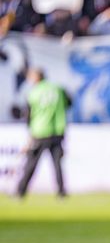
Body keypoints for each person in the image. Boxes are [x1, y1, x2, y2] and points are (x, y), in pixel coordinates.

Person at [16, 68, 71, 198]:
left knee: (31, 164)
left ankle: (20, 191)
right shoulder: (58, 89)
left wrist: (30, 132)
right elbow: (69, 103)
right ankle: (61, 193)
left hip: (40, 132)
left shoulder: (34, 92)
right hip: (57, 131)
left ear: (36, 78)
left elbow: (28, 114)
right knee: (57, 164)